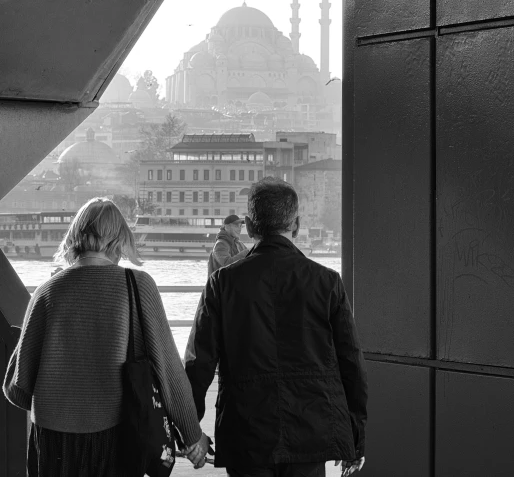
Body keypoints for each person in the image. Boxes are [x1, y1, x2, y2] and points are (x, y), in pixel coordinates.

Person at [3, 197, 210, 476]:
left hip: (52, 439)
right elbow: (169, 370)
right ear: (120, 239)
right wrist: (192, 435)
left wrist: (63, 405)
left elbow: (16, 386)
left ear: (74, 236)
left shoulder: (46, 291)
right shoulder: (137, 285)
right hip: (115, 435)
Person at [185, 177, 368, 477]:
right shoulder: (327, 282)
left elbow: (198, 363)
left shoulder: (222, 284)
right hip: (312, 431)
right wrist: (356, 438)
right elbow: (352, 364)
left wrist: (191, 432)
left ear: (249, 225)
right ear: (295, 225)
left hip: (246, 434)